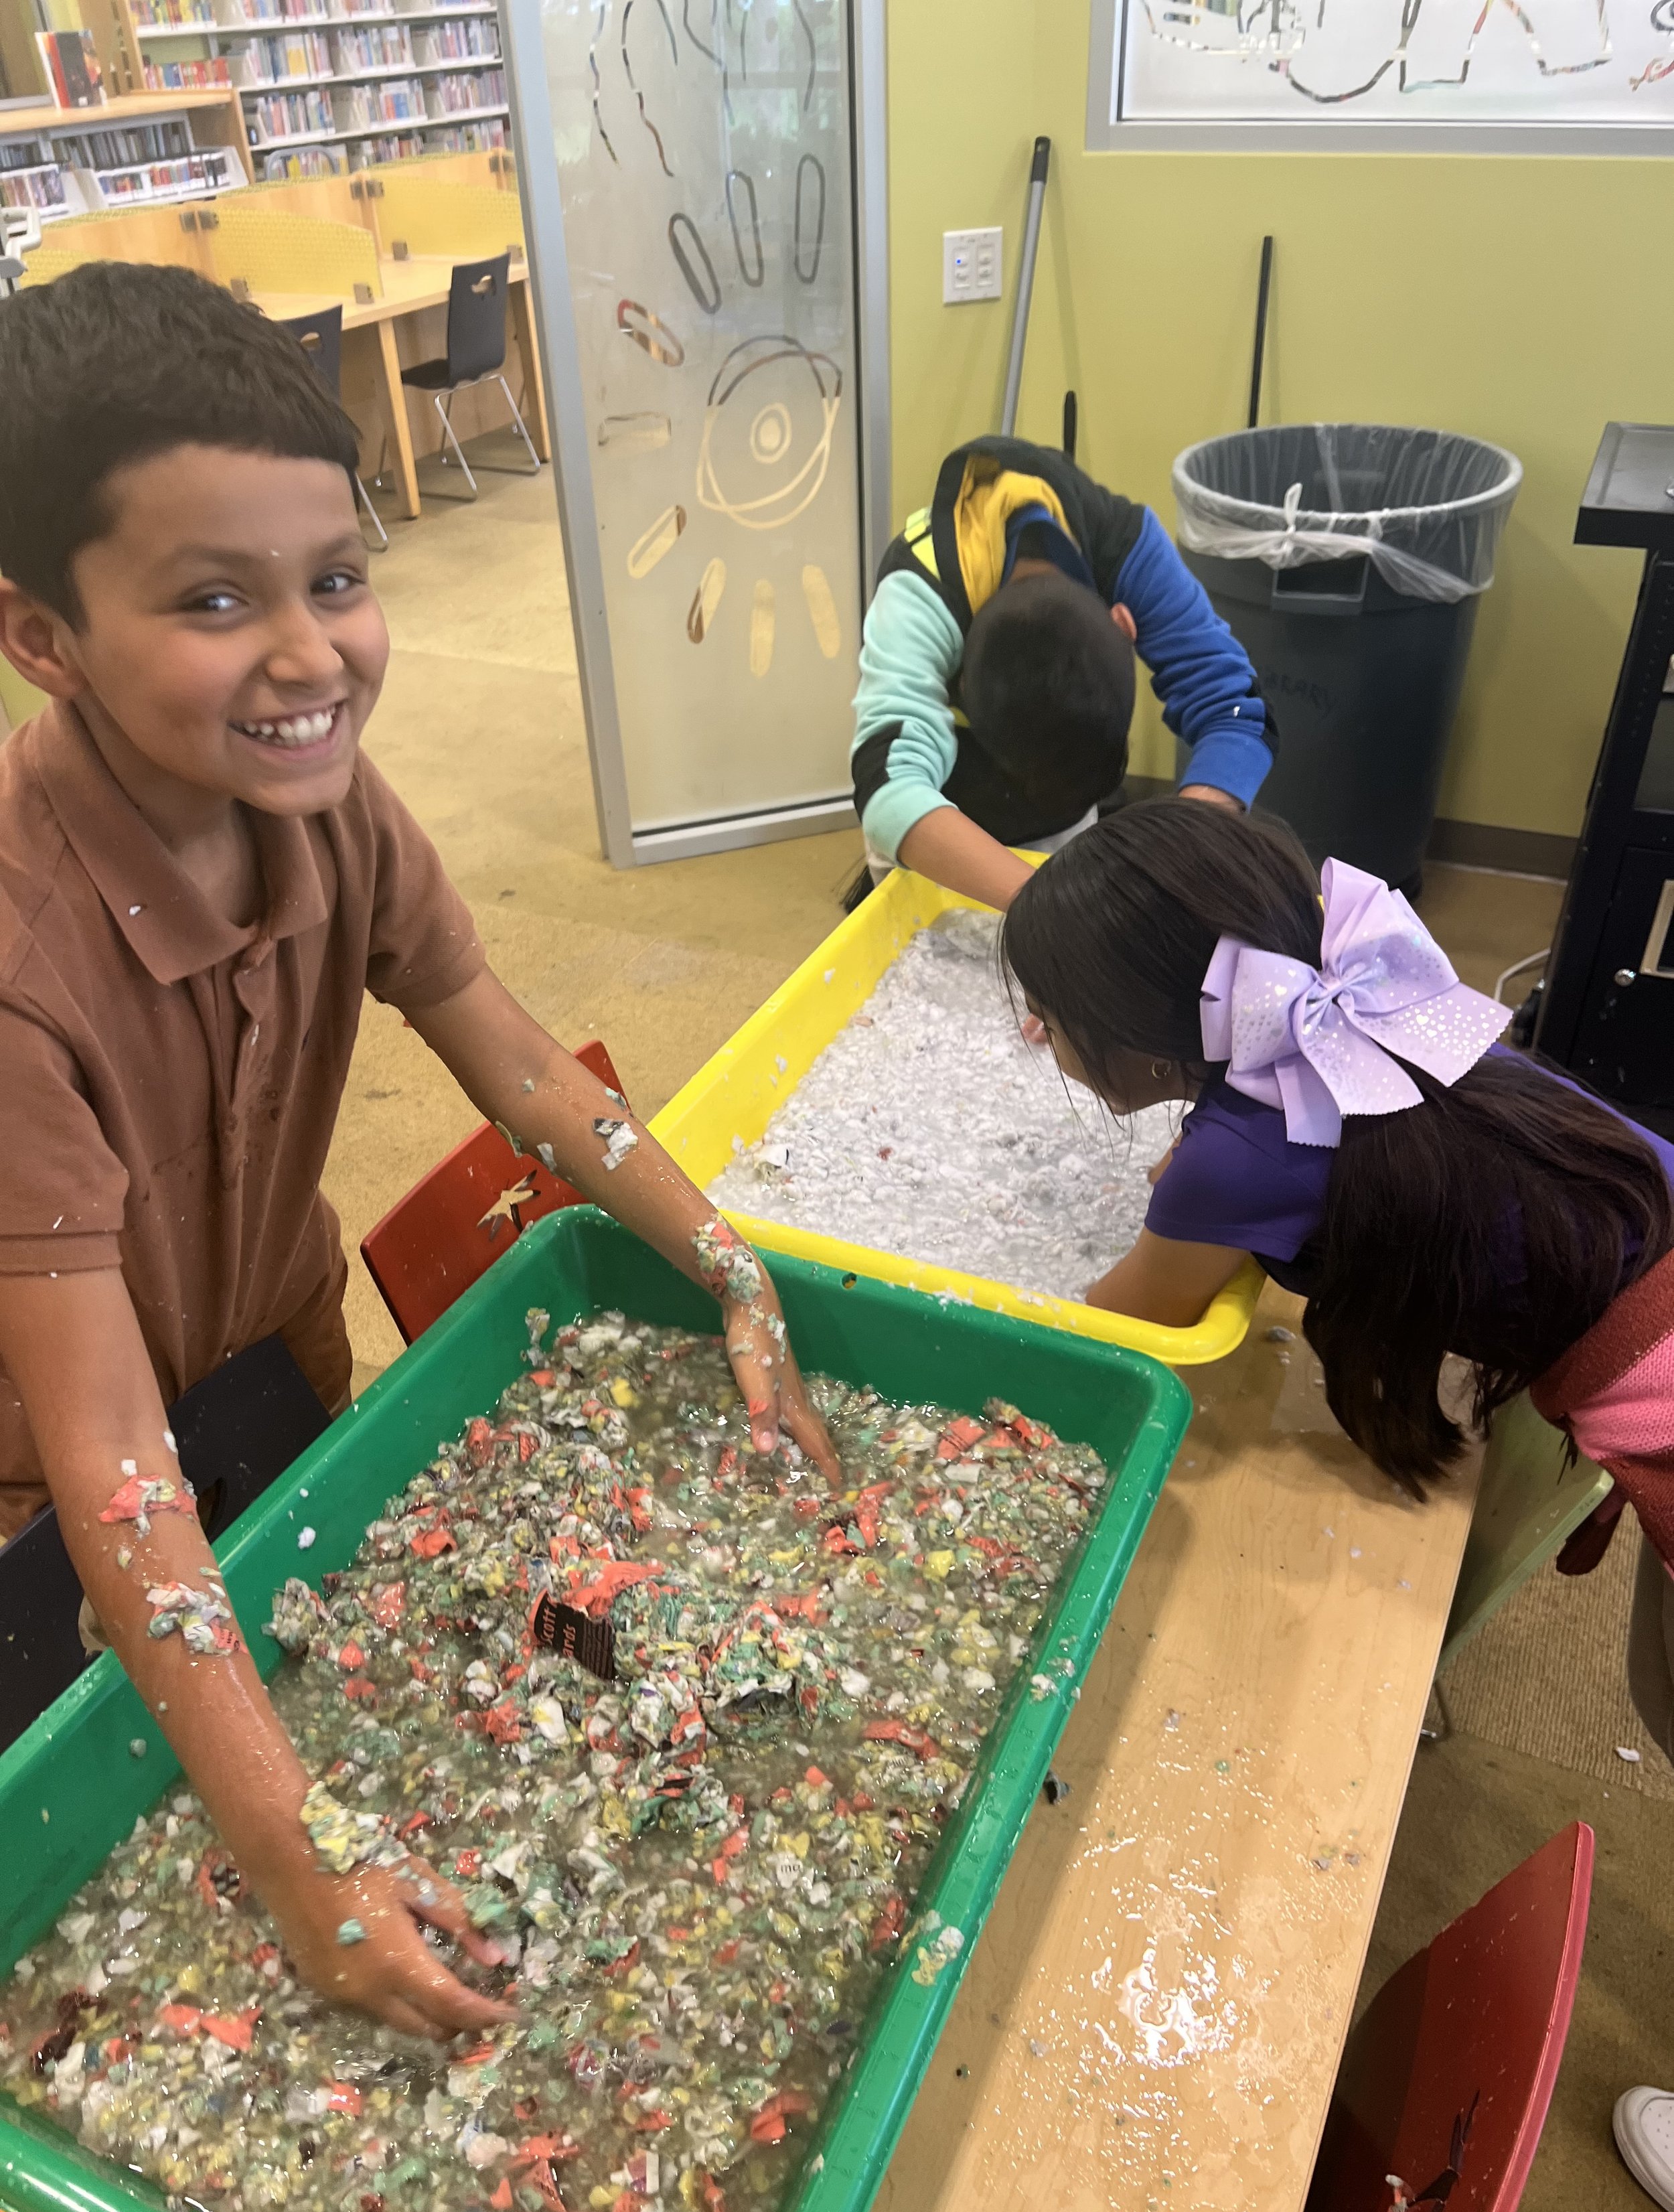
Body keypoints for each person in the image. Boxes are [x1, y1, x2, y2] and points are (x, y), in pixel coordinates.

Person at [0, 261, 838, 2044]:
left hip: (273, 1350)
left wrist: (730, 1264)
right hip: (42, 1475)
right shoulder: (17, 968)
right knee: (88, 1842)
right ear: (41, 636)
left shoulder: (333, 814)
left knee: (333, 1655)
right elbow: (110, 1471)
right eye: (216, 599)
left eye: (338, 579)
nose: (312, 655)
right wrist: (308, 1878)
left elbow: (527, 1063)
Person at [848, 433, 1277, 913]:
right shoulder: (919, 591)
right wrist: (1053, 909)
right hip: (935, 813)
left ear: (1124, 624)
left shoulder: (1126, 549)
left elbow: (1237, 711)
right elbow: (889, 789)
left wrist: (1178, 857)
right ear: (962, 683)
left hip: (1060, 822)